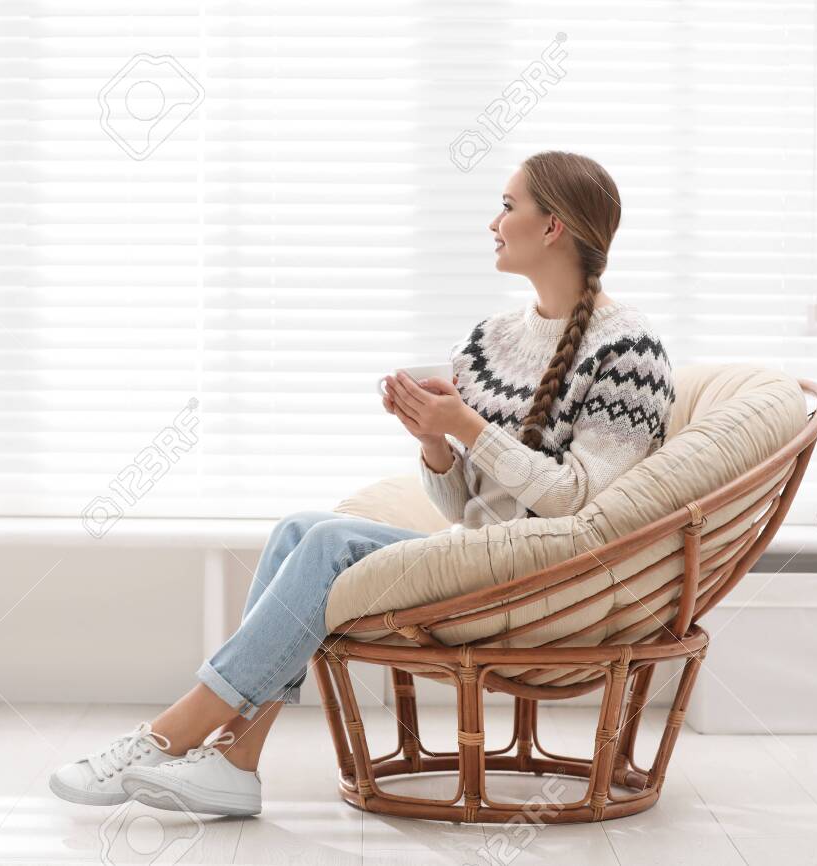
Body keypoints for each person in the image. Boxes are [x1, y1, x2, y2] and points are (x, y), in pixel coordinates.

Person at [48, 150, 676, 817]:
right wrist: (435, 442)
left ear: (553, 227)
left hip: (549, 579)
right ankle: (236, 759)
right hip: (485, 556)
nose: (494, 222)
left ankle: (167, 735)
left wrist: (465, 424)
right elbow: (465, 509)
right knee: (300, 529)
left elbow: (579, 504)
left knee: (329, 544)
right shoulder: (492, 339)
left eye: (508, 205)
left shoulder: (627, 348)